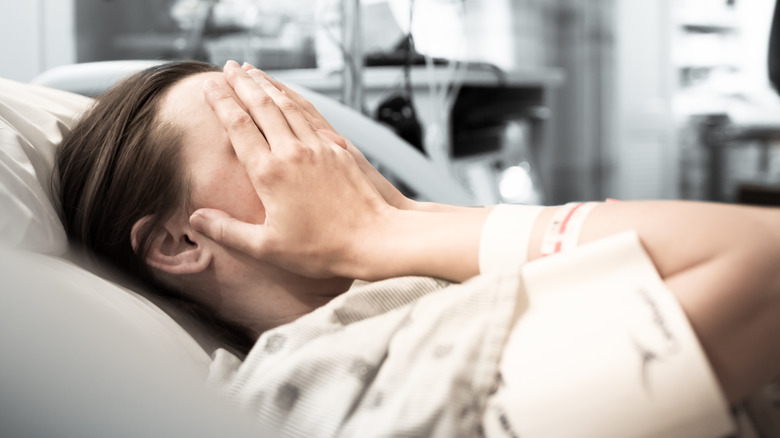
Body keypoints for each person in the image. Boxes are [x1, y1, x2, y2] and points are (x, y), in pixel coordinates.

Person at [56, 60, 779, 437]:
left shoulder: (417, 284)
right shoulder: (336, 385)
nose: (323, 151)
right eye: (264, 133)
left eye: (299, 117)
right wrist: (382, 227)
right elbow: (765, 266)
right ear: (181, 243)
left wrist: (403, 218)